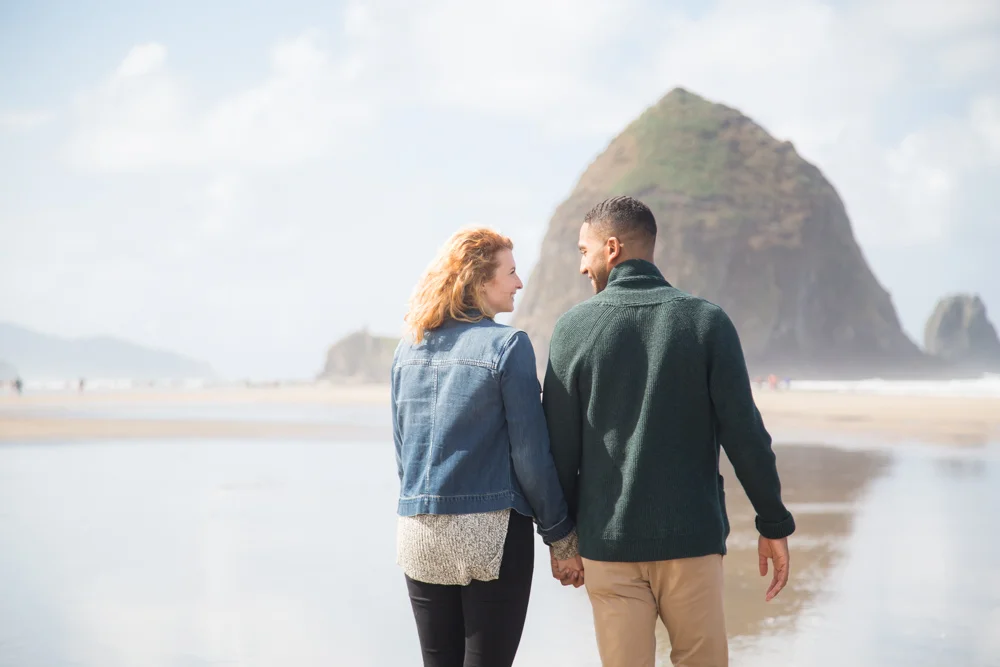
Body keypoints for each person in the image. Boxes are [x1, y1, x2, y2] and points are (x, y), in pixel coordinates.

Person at [542, 196, 796, 667]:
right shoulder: (706, 322)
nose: (581, 266)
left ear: (612, 248)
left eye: (584, 251)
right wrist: (773, 522)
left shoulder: (573, 330)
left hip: (608, 547)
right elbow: (745, 435)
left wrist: (562, 542)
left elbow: (558, 450)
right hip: (691, 542)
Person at [391, 227, 583, 667]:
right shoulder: (507, 345)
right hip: (490, 534)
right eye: (511, 273)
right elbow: (530, 457)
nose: (519, 283)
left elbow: (404, 456)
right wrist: (560, 536)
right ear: (480, 281)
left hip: (419, 531)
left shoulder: (408, 348)